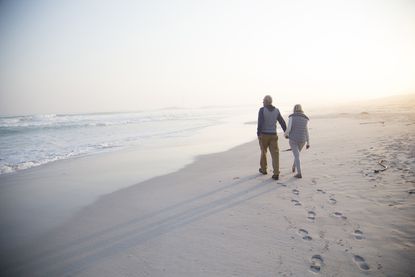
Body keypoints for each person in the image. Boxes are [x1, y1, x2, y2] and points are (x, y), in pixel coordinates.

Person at [257, 95, 287, 180]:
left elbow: (260, 123)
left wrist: (258, 134)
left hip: (264, 135)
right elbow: (282, 122)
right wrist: (286, 132)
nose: (262, 102)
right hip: (273, 135)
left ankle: (263, 169)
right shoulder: (276, 110)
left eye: (263, 101)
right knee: (275, 154)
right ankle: (276, 173)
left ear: (266, 102)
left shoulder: (262, 110)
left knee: (263, 152)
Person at [284, 104, 310, 178]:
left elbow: (288, 129)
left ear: (294, 109)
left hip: (293, 140)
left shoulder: (291, 117)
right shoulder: (305, 118)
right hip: (302, 140)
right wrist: (308, 142)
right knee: (297, 155)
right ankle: (293, 167)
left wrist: (285, 134)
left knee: (296, 155)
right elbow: (306, 131)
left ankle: (299, 173)